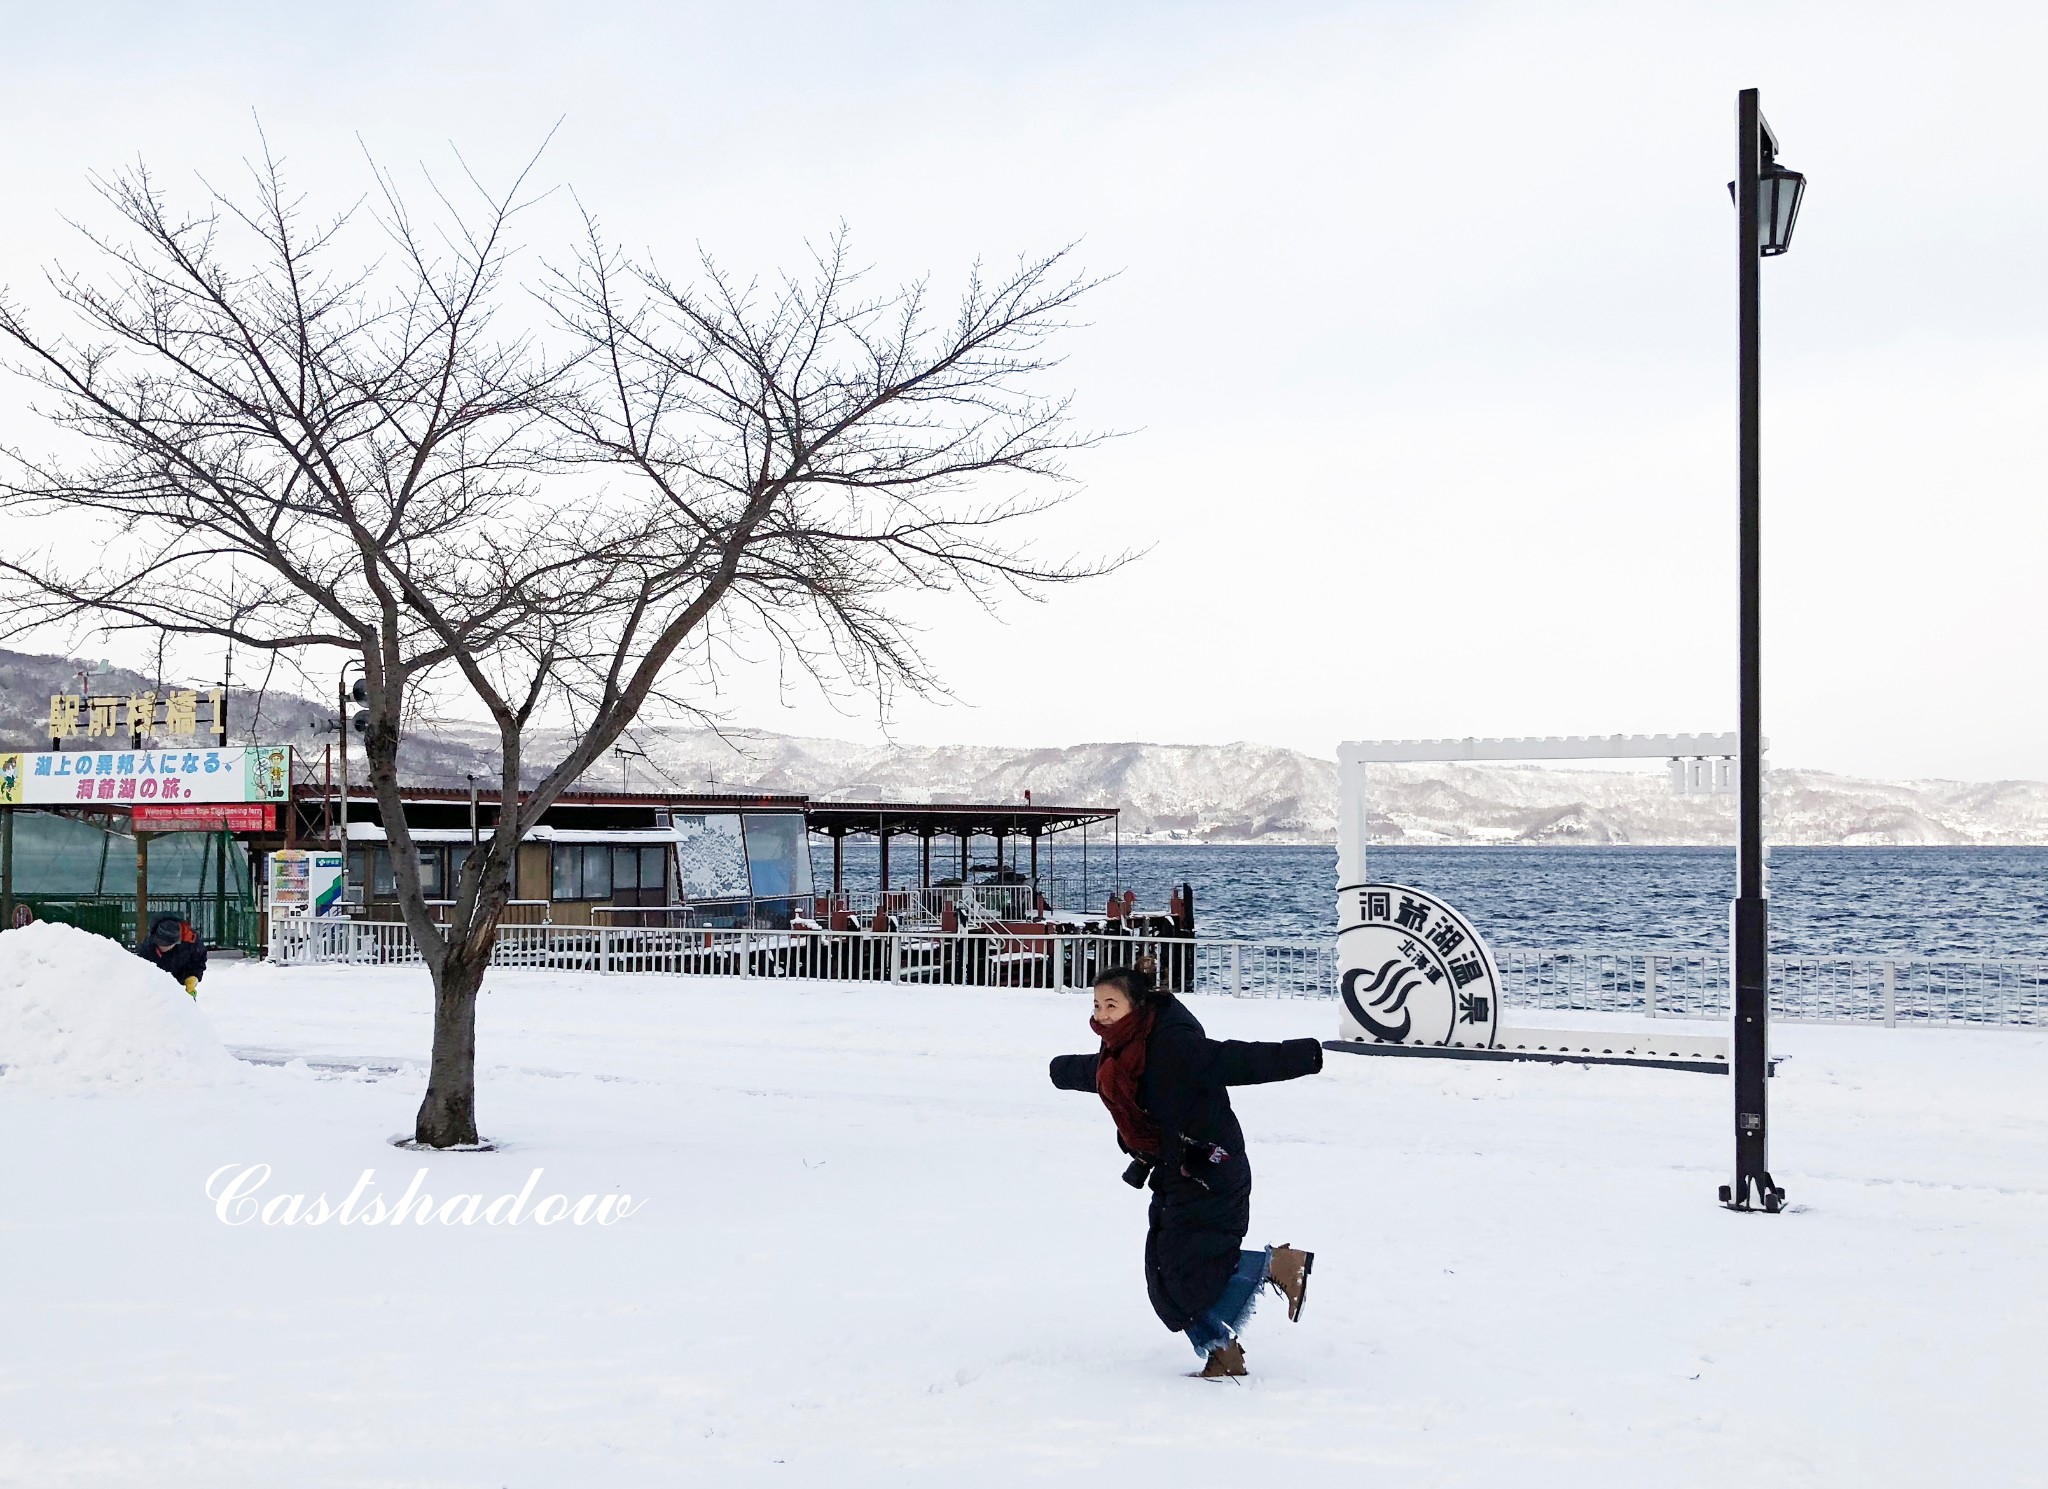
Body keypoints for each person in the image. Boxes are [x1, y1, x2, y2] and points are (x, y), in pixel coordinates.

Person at [1049, 965, 1324, 1379]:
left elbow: (1236, 1060)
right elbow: (1106, 1075)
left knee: (1181, 1270)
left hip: (1211, 1167)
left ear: (1136, 1006)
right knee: (1168, 1273)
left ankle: (1271, 1272)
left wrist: (1305, 1054)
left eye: (1111, 1005)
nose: (1102, 1015)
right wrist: (1060, 1070)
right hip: (1177, 1167)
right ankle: (1221, 1347)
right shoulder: (1123, 1052)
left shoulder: (1173, 1045)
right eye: (1097, 1005)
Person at [136, 914, 207, 998]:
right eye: (159, 943)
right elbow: (141, 968)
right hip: (157, 985)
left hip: (182, 978)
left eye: (166, 945)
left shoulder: (191, 940)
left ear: (177, 941)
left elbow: (198, 961)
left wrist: (193, 977)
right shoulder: (148, 946)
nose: (162, 947)